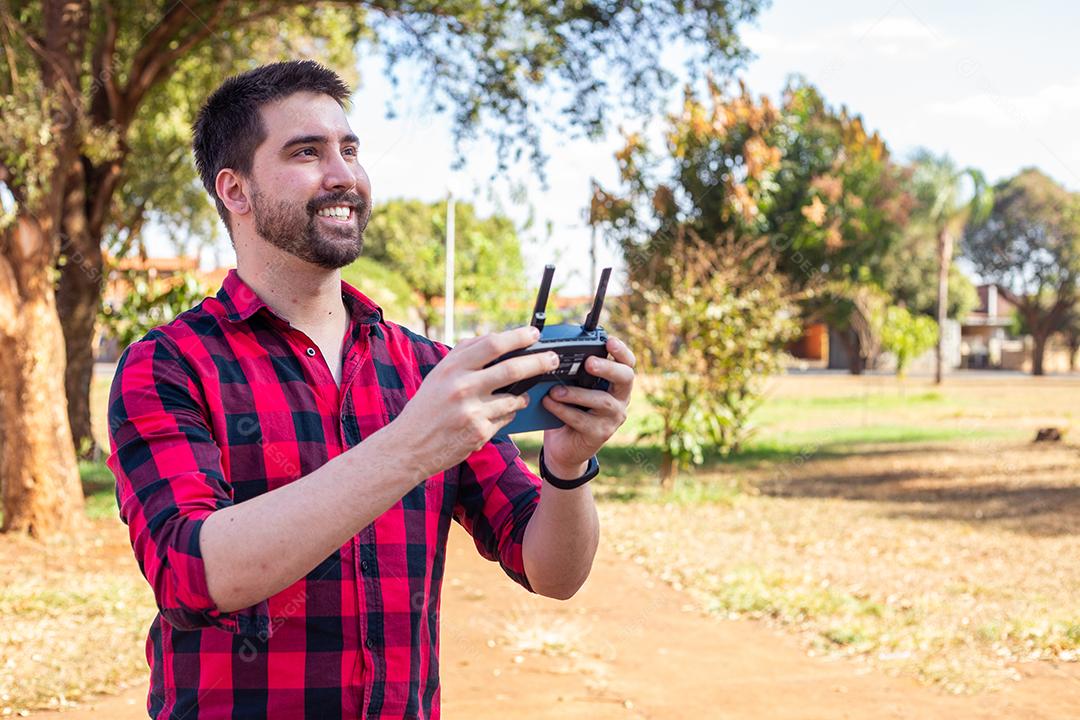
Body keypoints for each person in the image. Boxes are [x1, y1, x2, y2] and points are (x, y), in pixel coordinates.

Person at [106, 60, 636, 719]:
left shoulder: (428, 370)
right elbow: (192, 576)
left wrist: (568, 462)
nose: (343, 175)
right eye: (307, 152)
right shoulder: (168, 366)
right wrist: (411, 445)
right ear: (235, 191)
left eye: (349, 149)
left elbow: (553, 572)